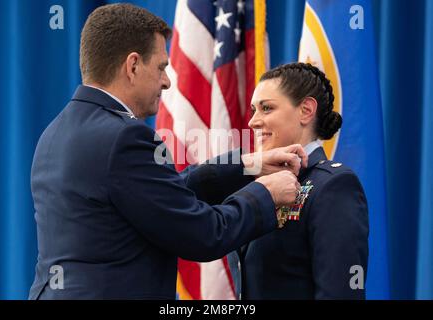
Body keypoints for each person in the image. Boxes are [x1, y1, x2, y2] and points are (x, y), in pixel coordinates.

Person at [28, 4, 307, 300]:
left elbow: (159, 197)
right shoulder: (124, 137)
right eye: (161, 67)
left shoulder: (54, 133)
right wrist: (265, 193)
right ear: (133, 66)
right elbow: (204, 233)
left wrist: (247, 165)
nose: (167, 81)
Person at [229, 62, 369, 300]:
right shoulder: (253, 184)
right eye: (254, 110)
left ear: (306, 110)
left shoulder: (334, 186)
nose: (253, 121)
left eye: (266, 108)